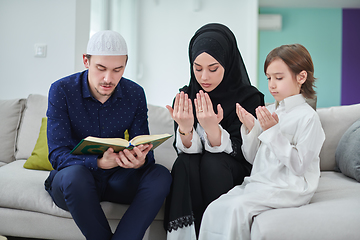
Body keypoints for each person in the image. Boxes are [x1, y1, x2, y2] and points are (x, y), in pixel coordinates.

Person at [44, 30, 172, 240]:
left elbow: (144, 147)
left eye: (117, 70)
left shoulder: (135, 93)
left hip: (117, 179)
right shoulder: (62, 90)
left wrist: (139, 160)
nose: (108, 78)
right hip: (74, 181)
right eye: (100, 68)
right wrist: (99, 163)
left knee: (160, 175)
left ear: (125, 66)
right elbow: (57, 155)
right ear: (86, 61)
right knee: (75, 176)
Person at [198, 43, 326, 240]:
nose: (272, 85)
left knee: (237, 208)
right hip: (262, 182)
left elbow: (299, 166)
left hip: (290, 186)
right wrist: (252, 128)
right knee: (215, 208)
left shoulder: (308, 118)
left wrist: (272, 132)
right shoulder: (272, 112)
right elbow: (252, 158)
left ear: (301, 77)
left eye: (279, 78)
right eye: (269, 78)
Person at [164, 23, 265, 239]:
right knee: (184, 163)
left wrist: (213, 131)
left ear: (227, 63)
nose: (204, 78)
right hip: (198, 170)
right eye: (197, 68)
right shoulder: (185, 97)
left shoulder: (249, 99)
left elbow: (249, 154)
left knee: (213, 161)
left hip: (231, 172)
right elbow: (185, 152)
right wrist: (185, 129)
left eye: (213, 68)